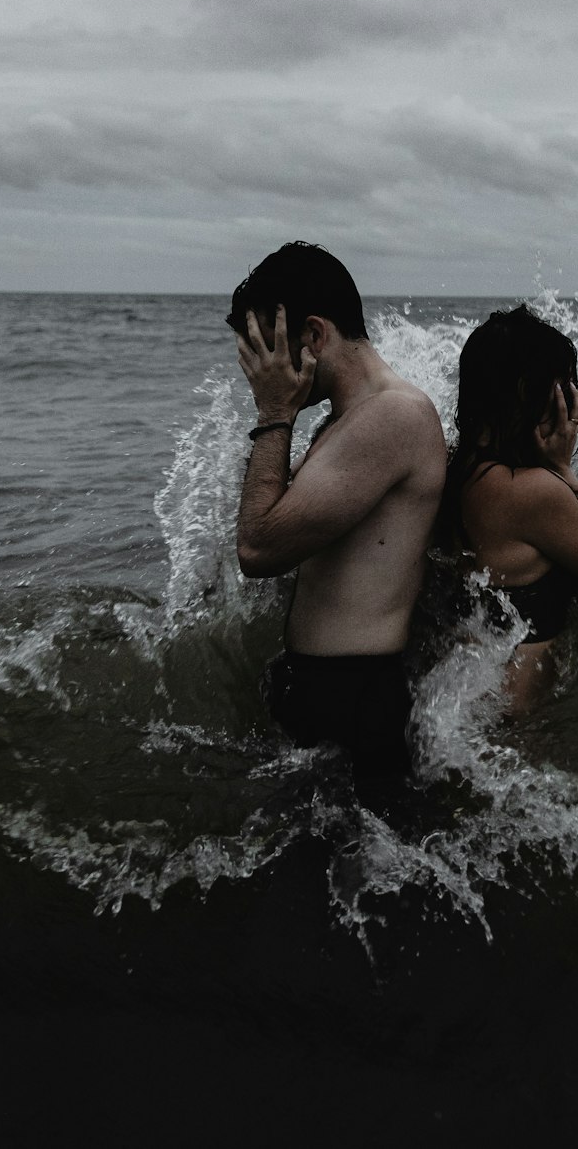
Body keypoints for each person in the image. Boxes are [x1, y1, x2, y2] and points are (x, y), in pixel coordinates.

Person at [228, 241, 446, 802]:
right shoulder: (345, 420)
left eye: (268, 351)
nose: (259, 371)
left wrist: (274, 414)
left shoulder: (394, 415)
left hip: (357, 701)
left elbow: (257, 549)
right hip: (328, 691)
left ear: (315, 336)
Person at [442, 305, 578, 714]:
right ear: (524, 393)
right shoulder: (530, 491)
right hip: (519, 723)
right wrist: (564, 470)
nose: (572, 403)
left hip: (470, 706)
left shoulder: (454, 471)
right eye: (563, 387)